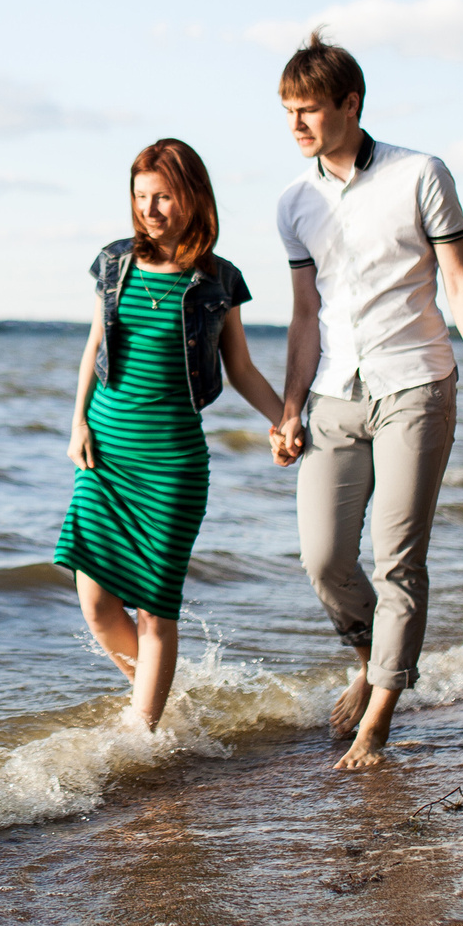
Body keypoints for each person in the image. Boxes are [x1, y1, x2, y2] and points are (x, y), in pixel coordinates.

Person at [268, 31, 463, 770]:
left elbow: (462, 284)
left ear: (350, 103)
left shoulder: (420, 174)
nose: (297, 124)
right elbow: (305, 315)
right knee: (323, 559)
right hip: (334, 395)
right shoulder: (294, 202)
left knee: (398, 561)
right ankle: (371, 658)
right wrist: (290, 408)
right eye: (287, 111)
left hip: (417, 383)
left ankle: (378, 719)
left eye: (309, 109)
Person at [61, 138, 289, 732]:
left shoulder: (218, 279)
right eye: (141, 197)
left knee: (155, 609)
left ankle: (144, 733)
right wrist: (78, 421)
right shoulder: (114, 262)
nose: (149, 209)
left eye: (162, 196)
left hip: (172, 462)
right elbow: (94, 346)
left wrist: (285, 417)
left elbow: (241, 369)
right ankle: (160, 700)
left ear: (191, 196)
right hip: (106, 451)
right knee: (95, 601)